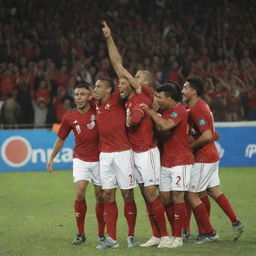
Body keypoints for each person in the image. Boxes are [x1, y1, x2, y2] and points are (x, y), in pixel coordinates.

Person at [102, 21, 170, 248]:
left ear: (145, 82)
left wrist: (110, 38)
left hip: (147, 152)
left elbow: (119, 67)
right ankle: (157, 235)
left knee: (152, 193)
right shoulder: (129, 99)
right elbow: (118, 66)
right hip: (133, 152)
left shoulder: (144, 94)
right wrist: (109, 38)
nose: (132, 77)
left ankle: (168, 235)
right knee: (144, 194)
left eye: (137, 76)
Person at [182, 76, 244, 243]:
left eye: (185, 88)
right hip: (211, 155)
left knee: (191, 195)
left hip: (204, 157)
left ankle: (209, 232)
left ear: (194, 91)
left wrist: (191, 147)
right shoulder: (198, 106)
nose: (183, 90)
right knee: (212, 191)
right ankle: (235, 222)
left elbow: (208, 135)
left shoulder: (197, 109)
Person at [46, 83, 105, 246]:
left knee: (100, 196)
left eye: (83, 94)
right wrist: (51, 158)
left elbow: (102, 98)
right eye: (76, 94)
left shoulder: (97, 108)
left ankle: (101, 234)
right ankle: (80, 233)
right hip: (81, 158)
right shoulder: (69, 117)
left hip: (100, 159)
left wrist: (94, 96)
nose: (79, 98)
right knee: (79, 193)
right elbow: (61, 139)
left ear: (89, 96)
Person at [141, 82, 194, 248]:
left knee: (178, 196)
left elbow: (165, 125)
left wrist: (150, 112)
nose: (156, 100)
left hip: (181, 161)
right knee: (165, 199)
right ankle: (171, 234)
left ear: (170, 98)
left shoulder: (179, 110)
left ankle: (178, 238)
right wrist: (156, 112)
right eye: (155, 96)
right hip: (166, 161)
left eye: (159, 97)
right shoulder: (164, 111)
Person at [93, 78, 137, 249]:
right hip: (105, 155)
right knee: (108, 195)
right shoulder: (94, 103)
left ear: (109, 89)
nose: (95, 89)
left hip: (123, 153)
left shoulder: (118, 98)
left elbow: (132, 87)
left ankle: (131, 235)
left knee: (127, 194)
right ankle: (112, 239)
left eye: (99, 86)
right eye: (95, 86)